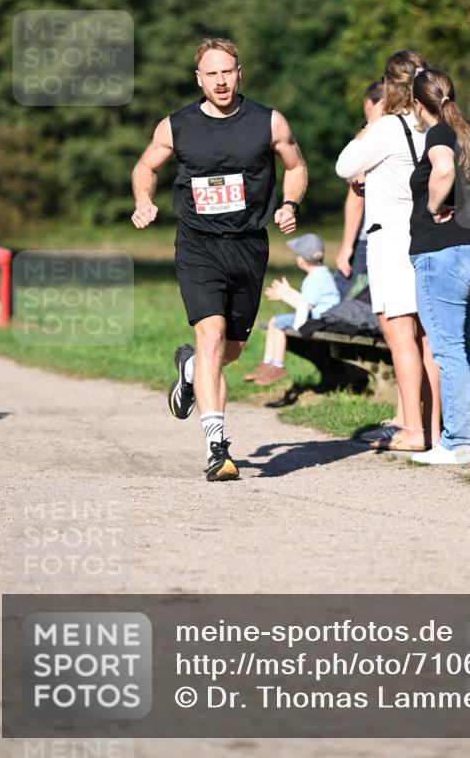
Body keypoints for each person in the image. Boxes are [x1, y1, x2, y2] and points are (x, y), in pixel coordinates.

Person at [131, 36, 307, 481]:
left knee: (230, 349)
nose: (221, 80)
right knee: (210, 336)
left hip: (249, 244)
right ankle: (217, 448)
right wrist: (143, 201)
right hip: (198, 244)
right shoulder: (178, 125)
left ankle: (190, 369)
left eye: (227, 71)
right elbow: (145, 167)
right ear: (199, 78)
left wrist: (289, 204)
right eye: (211, 73)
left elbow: (296, 165)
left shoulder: (268, 122)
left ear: (239, 72)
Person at [335, 50, 441, 453]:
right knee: (426, 338)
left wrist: (372, 121)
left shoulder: (386, 128)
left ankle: (411, 430)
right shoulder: (436, 124)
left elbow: (345, 165)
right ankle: (427, 427)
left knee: (400, 336)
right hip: (428, 239)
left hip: (391, 241)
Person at [409, 67, 470, 465]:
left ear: (417, 105)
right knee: (464, 350)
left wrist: (434, 207)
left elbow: (443, 169)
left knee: (447, 352)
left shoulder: (438, 133)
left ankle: (457, 443)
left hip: (443, 254)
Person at [245, 233, 340, 386]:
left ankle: (277, 366)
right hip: (321, 316)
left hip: (320, 320)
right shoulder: (322, 274)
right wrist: (288, 291)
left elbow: (304, 306)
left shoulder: (313, 279)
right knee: (275, 321)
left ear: (302, 260)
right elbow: (309, 301)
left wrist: (283, 296)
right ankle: (268, 364)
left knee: (278, 323)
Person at [334, 81, 385, 301]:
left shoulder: (374, 138)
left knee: (341, 304)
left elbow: (357, 195)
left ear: (369, 105)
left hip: (369, 238)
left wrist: (346, 248)